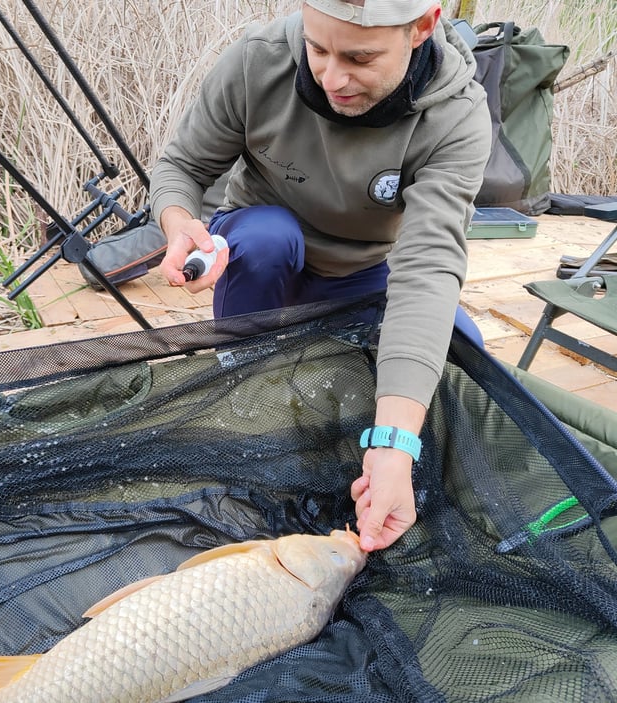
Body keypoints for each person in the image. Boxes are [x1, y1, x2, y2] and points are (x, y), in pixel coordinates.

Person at [150, 0, 492, 553]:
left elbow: (428, 267)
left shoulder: (456, 117)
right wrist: (180, 223)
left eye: (360, 56)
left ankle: (401, 481)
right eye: (317, 48)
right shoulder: (256, 63)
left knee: (462, 345)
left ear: (422, 27)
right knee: (266, 238)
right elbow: (180, 167)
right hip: (265, 256)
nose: (332, 78)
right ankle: (246, 389)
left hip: (364, 273)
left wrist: (393, 442)